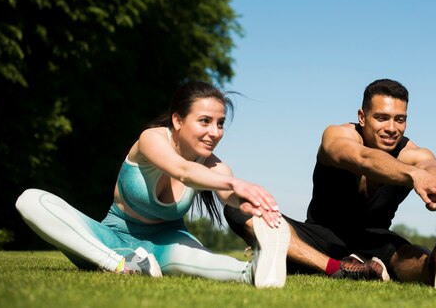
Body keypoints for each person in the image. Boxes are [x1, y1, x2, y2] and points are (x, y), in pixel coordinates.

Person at [16, 81, 290, 288]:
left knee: (198, 260)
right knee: (30, 200)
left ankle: (254, 271)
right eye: (205, 121)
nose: (215, 132)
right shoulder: (151, 139)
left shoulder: (214, 165)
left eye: (220, 123)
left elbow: (227, 192)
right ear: (177, 120)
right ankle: (119, 264)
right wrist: (234, 182)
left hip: (165, 243)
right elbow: (182, 170)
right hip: (110, 239)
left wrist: (254, 205)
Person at [224, 79, 436, 290]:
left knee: (408, 254)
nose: (392, 128)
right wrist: (414, 175)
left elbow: (431, 164)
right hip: (319, 237)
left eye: (399, 119)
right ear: (362, 117)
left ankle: (435, 265)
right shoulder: (338, 135)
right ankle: (337, 267)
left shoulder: (412, 155)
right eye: (382, 117)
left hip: (374, 242)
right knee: (241, 207)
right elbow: (363, 158)